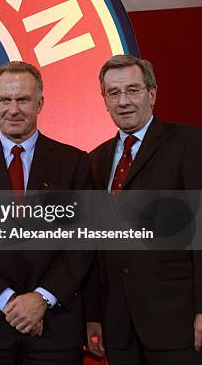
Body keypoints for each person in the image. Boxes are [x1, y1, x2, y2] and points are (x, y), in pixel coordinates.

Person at [0, 61, 94, 365]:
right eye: (5, 100)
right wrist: (9, 302)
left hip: (55, 327)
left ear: (40, 103)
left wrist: (41, 298)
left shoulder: (74, 163)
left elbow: (82, 242)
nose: (13, 109)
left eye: (23, 100)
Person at [85, 54, 202, 364]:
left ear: (152, 94)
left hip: (177, 322)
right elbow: (93, 246)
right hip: (119, 325)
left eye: (133, 90)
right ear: (105, 100)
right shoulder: (95, 161)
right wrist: (93, 315)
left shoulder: (190, 144)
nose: (123, 101)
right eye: (114, 93)